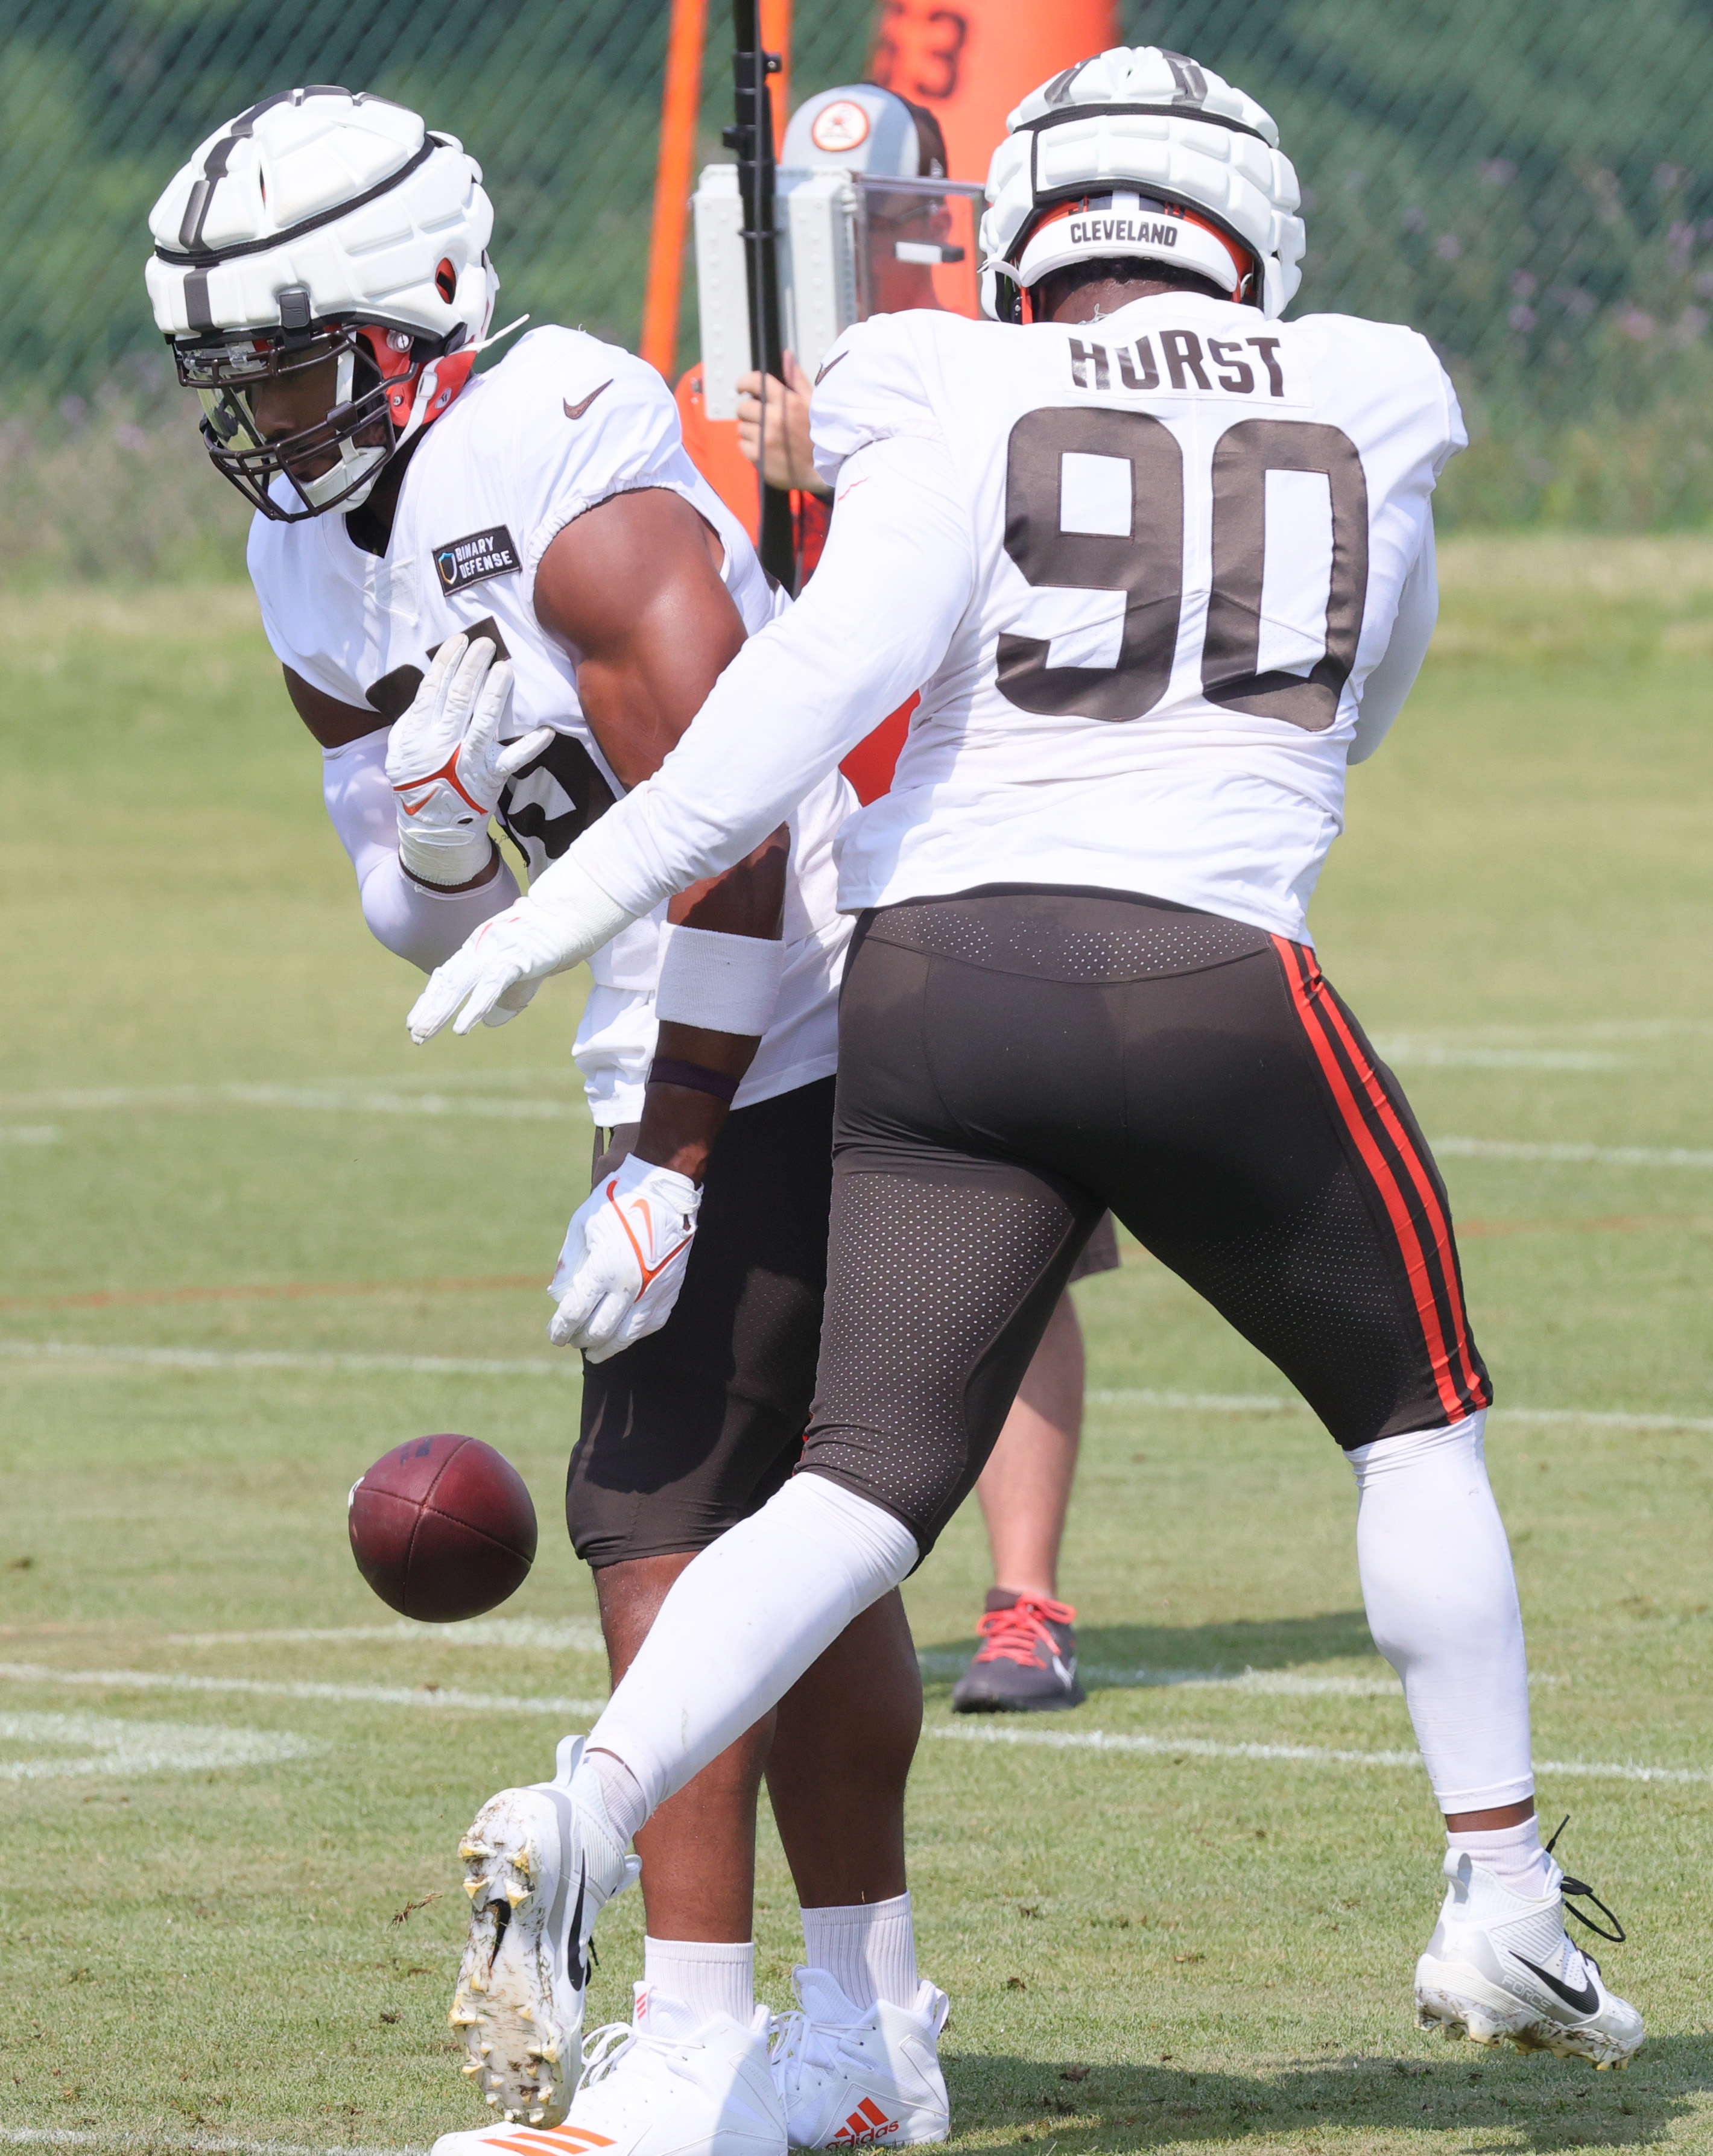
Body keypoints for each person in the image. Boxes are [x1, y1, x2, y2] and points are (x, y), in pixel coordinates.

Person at [410, 45, 1647, 2075]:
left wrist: (560, 908)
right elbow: (1360, 696)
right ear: (1247, 230)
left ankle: (589, 1805)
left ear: (1032, 239)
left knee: (853, 1493)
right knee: (1415, 1424)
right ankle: (1503, 1901)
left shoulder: (933, 382)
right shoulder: (1374, 378)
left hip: (938, 991)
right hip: (1215, 972)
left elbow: (803, 700)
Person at [145, 87, 952, 2156]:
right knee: (802, 1536)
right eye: (225, 374)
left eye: (288, 359)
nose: (259, 415)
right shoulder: (307, 560)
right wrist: (434, 821)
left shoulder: (549, 445)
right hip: (676, 1020)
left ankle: (692, 2058)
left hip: (796, 995)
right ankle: (864, 2037)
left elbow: (744, 815)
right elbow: (412, 912)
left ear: (416, 306)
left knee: (664, 1521)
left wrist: (672, 1154)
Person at [738, 84, 1114, 1715]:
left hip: (972, 832)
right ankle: (775, 1562)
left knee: (1021, 1240)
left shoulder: (996, 372)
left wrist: (828, 472)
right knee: (789, 1217)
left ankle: (1025, 1596)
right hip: (798, 850)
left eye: (894, 215)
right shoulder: (727, 388)